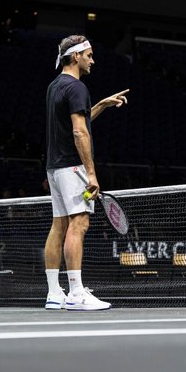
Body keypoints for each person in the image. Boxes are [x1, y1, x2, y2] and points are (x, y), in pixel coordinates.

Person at [44, 34, 129, 311]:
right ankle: (77, 293)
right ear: (76, 56)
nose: (93, 60)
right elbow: (79, 131)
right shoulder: (77, 87)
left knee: (59, 225)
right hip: (72, 166)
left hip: (54, 167)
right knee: (79, 224)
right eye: (89, 55)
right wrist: (91, 173)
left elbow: (77, 123)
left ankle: (55, 293)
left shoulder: (55, 86)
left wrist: (101, 105)